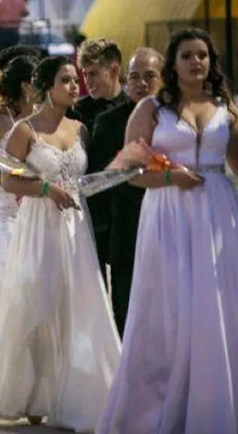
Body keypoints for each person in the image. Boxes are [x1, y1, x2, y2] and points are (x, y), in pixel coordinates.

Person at [98, 29, 238, 433]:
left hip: (217, 211)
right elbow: (127, 173)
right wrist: (171, 177)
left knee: (215, 305)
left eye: (203, 55)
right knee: (169, 309)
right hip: (168, 213)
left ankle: (213, 404)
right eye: (188, 56)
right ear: (173, 65)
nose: (197, 62)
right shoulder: (151, 109)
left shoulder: (224, 106)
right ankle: (156, 406)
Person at [0, 56, 120, 432]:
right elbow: (8, 180)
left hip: (76, 224)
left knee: (79, 305)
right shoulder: (25, 129)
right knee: (38, 305)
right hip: (39, 224)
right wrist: (45, 187)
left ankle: (76, 393)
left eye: (76, 80)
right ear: (45, 86)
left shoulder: (80, 129)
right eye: (66, 80)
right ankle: (34, 393)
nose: (75, 86)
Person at [90, 47, 163, 337]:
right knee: (127, 308)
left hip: (171, 221)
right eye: (135, 77)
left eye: (150, 76)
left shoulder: (173, 118)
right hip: (126, 228)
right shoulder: (108, 123)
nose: (141, 84)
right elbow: (100, 178)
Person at [0, 55, 37, 304]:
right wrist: (9, 178)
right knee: (16, 271)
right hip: (6, 209)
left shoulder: (45, 118)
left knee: (37, 272)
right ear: (25, 85)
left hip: (37, 206)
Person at [73, 38, 130, 283]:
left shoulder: (135, 109)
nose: (88, 81)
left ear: (115, 70)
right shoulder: (76, 110)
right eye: (85, 74)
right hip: (90, 213)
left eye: (94, 73)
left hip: (126, 212)